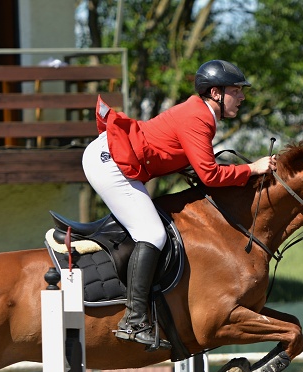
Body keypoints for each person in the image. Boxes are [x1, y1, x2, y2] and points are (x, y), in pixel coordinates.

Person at [82, 59, 276, 347]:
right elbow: (209, 175)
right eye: (237, 90)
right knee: (152, 233)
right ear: (216, 93)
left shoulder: (201, 114)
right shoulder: (199, 118)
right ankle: (134, 321)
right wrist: (252, 169)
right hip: (109, 163)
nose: (243, 97)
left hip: (114, 158)